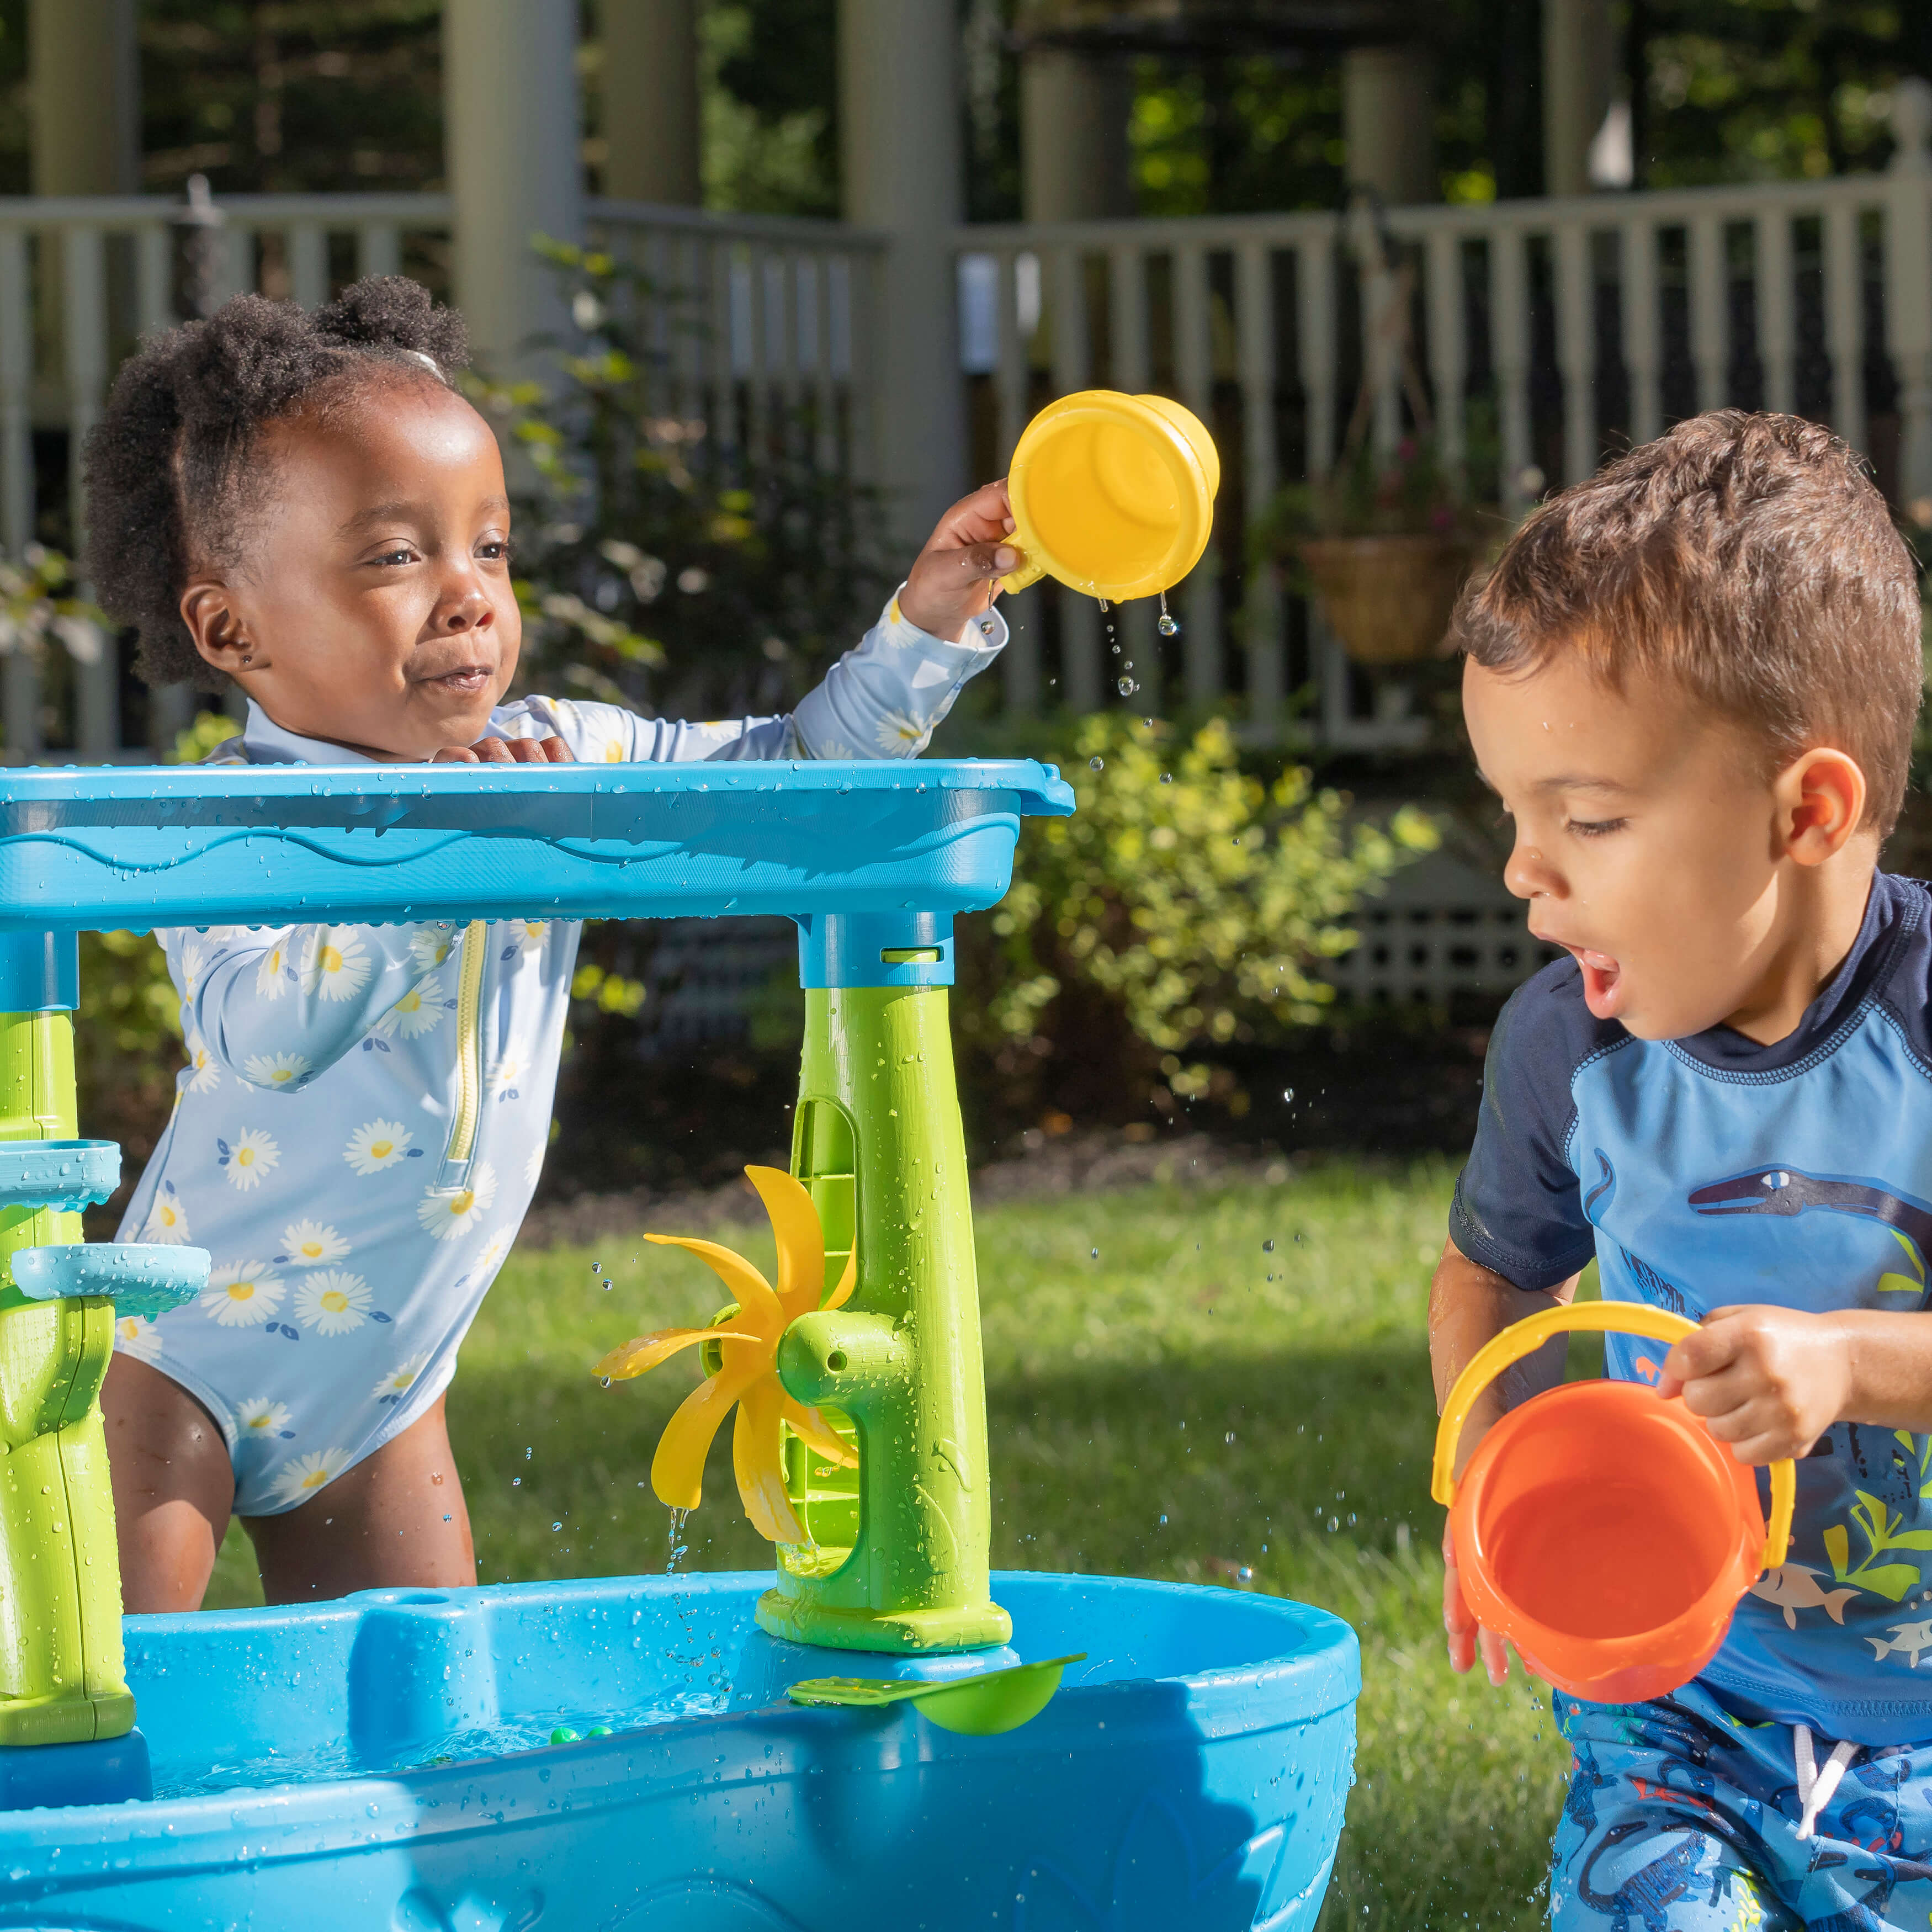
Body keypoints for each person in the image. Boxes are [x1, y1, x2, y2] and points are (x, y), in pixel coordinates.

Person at [88, 277, 1021, 1610]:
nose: (467, 597)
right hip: (181, 1362)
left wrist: (927, 624)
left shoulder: (555, 756)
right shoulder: (235, 821)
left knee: (426, 1744)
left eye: (493, 550)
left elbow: (795, 775)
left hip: (382, 1395)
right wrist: (458, 849)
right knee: (105, 1717)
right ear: (232, 626)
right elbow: (264, 1030)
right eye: (396, 557)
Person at [1432, 410, 1932, 1929]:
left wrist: (1848, 1361)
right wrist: (1480, 1465)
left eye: (1585, 817)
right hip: (1686, 1708)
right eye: (1515, 818)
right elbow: (1495, 1272)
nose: (1526, 869)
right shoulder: (1564, 1052)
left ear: (1806, 809)